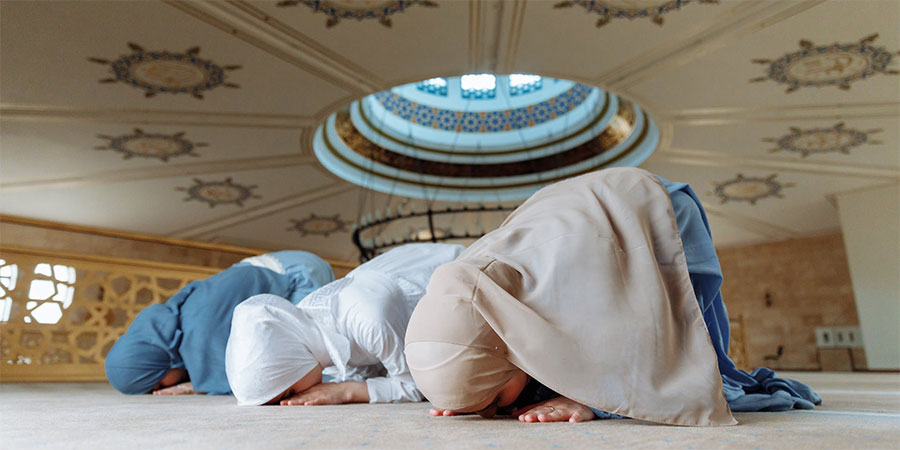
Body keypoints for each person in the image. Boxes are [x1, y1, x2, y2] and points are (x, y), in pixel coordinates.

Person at [405, 167, 821, 426]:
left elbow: (645, 341)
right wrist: (463, 395)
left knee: (695, 354)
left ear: (504, 344)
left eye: (494, 399)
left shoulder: (573, 282)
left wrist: (592, 399)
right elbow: (468, 348)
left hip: (654, 221)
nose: (495, 412)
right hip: (584, 214)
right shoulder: (476, 289)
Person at [225, 243, 465, 406]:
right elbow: (364, 366)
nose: (297, 398)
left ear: (292, 359)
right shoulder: (310, 331)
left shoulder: (370, 320)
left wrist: (346, 391)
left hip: (459, 275)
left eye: (289, 392)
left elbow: (422, 385)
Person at [104, 251, 334, 396]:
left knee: (300, 360)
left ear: (156, 366)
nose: (160, 389)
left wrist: (201, 384)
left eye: (157, 384)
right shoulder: (175, 322)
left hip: (298, 275)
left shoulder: (200, 334)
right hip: (284, 260)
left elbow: (252, 381)